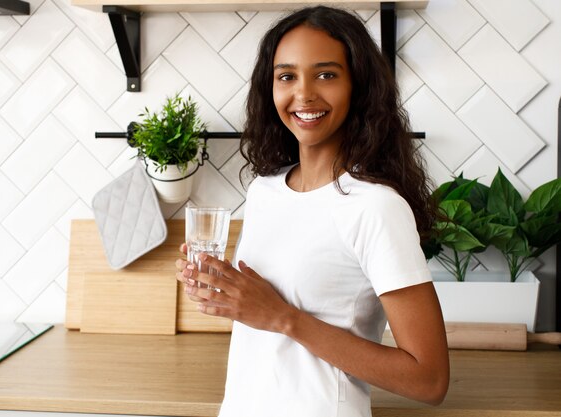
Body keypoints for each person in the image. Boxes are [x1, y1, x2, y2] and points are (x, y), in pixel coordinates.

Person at [175, 6, 449, 417]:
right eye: (287, 76)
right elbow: (262, 322)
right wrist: (222, 291)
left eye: (326, 74)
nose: (303, 94)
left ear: (358, 86)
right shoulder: (265, 192)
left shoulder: (376, 207)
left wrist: (284, 318)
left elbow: (429, 380)